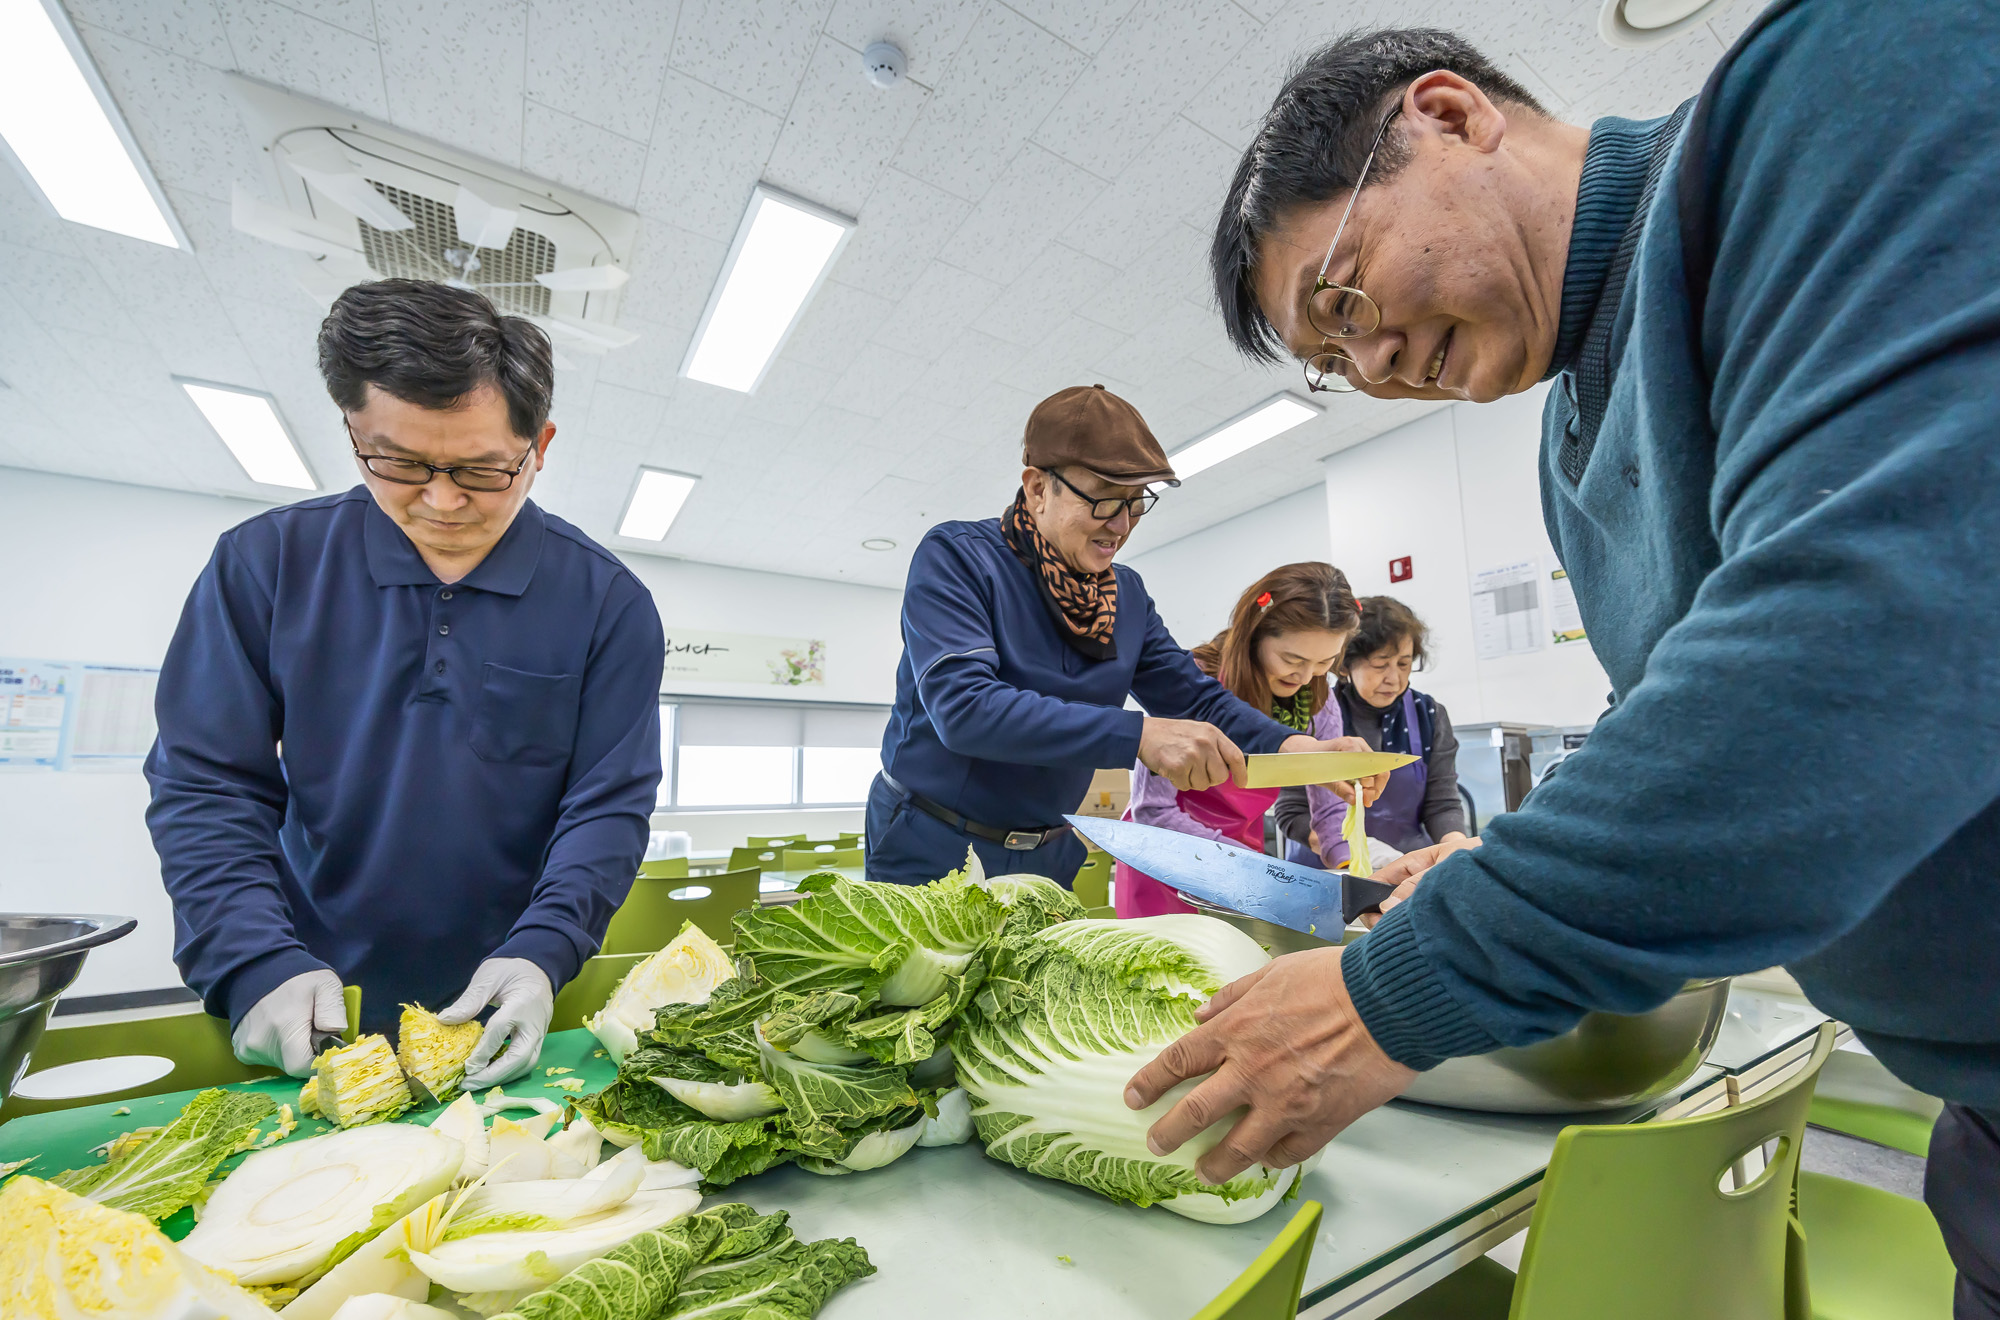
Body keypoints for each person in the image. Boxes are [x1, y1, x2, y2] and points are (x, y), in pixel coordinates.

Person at [1123, 13, 2000, 1314]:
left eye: (1345, 298)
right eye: (1331, 362)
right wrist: (1501, 864)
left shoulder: (1838, 90)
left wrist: (1392, 994)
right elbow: (1674, 714)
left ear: (1449, 115)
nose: (1369, 364)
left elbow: (1874, 634)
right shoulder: (1574, 446)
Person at [146, 280, 666, 1089]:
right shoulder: (266, 566)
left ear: (541, 445)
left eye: (484, 470)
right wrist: (252, 959)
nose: (442, 499)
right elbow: (209, 784)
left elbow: (605, 805)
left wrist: (545, 950)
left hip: (510, 985)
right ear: (352, 429)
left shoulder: (610, 604)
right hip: (306, 980)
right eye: (398, 461)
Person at [868, 385, 1377, 888]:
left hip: (1049, 851)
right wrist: (1139, 736)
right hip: (932, 841)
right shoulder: (959, 557)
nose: (1123, 524)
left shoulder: (1125, 596)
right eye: (1106, 501)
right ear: (1038, 487)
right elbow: (966, 710)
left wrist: (1295, 748)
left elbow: (1194, 697)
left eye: (1137, 503)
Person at [1116, 563, 1375, 918]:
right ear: (1254, 636)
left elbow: (1329, 803)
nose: (1304, 676)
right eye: (1291, 659)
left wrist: (1349, 863)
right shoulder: (1191, 685)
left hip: (1243, 858)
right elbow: (1153, 811)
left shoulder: (1318, 702)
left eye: (1324, 662)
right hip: (1167, 861)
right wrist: (1251, 866)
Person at [1273, 596, 1467, 868]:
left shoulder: (1429, 715)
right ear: (1343, 665)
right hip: (1327, 872)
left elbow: (1442, 804)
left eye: (1404, 663)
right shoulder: (1314, 714)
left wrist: (1455, 848)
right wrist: (1348, 850)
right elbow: (1291, 811)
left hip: (1406, 867)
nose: (1394, 678)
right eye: (1380, 665)